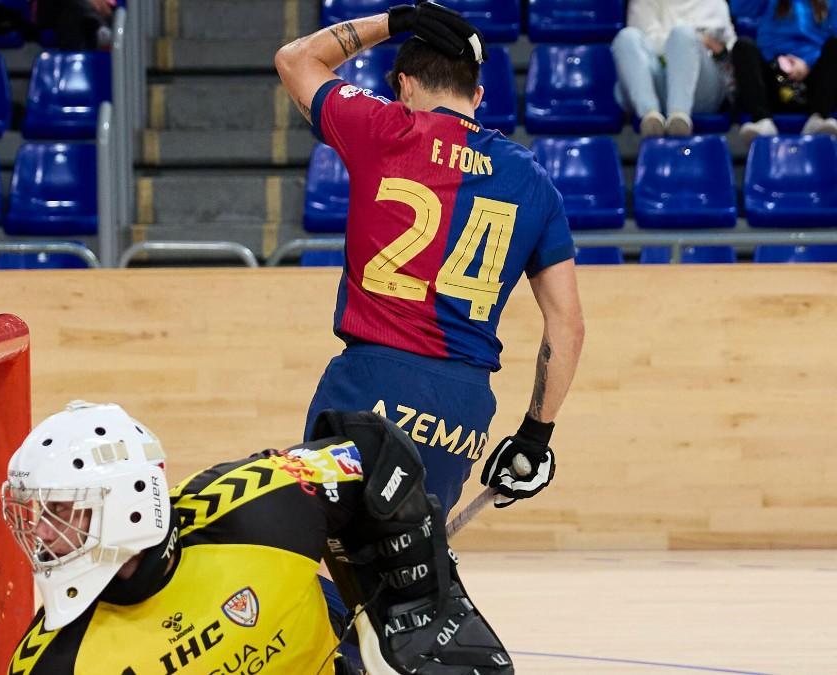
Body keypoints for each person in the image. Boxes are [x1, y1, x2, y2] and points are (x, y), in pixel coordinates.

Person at [275, 3, 585, 519]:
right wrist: (535, 434)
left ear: (403, 86)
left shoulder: (383, 128)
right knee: (410, 576)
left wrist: (396, 20)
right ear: (478, 97)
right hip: (461, 409)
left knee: (329, 558)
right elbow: (567, 325)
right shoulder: (534, 182)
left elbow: (296, 58)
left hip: (371, 382)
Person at [2, 401, 514, 674]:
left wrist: (413, 607)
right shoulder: (51, 662)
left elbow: (376, 454)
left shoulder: (251, 501)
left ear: (128, 501)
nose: (41, 535)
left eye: (62, 511)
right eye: (35, 516)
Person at [610, 0, 737, 137]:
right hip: (655, 84)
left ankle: (679, 116)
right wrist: (695, 41)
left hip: (701, 89)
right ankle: (649, 116)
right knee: (627, 37)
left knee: (683, 35)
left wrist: (695, 44)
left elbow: (730, 48)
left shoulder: (715, 3)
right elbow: (645, 44)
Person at [733, 0, 837, 139]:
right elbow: (738, 8)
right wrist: (779, 61)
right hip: (772, 79)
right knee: (743, 46)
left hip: (813, 84)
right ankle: (762, 121)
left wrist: (807, 63)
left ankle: (818, 119)